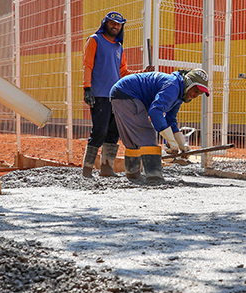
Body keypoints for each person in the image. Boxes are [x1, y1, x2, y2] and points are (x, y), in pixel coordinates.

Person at [80, 12, 151, 178]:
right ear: (105, 23)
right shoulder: (94, 40)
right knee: (100, 130)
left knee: (114, 132)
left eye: (118, 24)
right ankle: (87, 170)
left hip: (117, 96)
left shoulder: (119, 47)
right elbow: (87, 65)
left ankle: (106, 169)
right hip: (99, 94)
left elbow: (123, 72)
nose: (115, 26)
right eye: (112, 23)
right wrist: (87, 88)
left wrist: (142, 73)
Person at [109, 68, 209, 185]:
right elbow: (155, 111)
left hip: (121, 92)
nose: (196, 95)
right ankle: (154, 177)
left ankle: (133, 175)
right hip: (126, 94)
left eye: (199, 93)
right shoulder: (173, 87)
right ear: (189, 82)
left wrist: (182, 144)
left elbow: (170, 120)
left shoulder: (179, 93)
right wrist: (171, 141)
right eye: (196, 90)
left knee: (133, 139)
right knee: (147, 134)